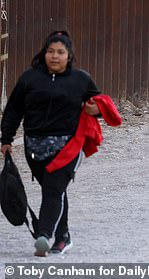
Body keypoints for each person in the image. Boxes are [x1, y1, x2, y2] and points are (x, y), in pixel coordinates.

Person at [1, 31, 101, 256]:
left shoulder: (81, 80)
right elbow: (14, 110)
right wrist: (6, 138)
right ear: (44, 53)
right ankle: (63, 235)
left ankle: (44, 236)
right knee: (53, 190)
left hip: (68, 146)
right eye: (50, 51)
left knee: (54, 189)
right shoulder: (29, 78)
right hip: (34, 147)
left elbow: (101, 104)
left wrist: (97, 110)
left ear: (69, 55)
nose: (54, 56)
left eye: (60, 52)